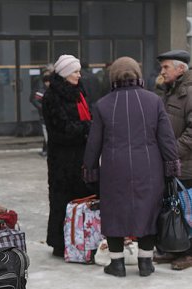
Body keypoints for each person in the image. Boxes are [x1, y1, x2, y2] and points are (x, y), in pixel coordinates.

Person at [82, 56, 180, 277]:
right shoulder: (153, 101)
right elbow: (166, 139)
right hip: (149, 166)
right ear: (138, 74)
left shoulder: (103, 104)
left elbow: (93, 142)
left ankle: (116, 264)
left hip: (114, 169)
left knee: (114, 211)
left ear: (113, 77)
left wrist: (89, 170)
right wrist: (171, 167)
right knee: (148, 209)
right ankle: (146, 262)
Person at [41, 54, 92, 257]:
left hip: (81, 156)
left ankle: (81, 238)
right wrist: (88, 127)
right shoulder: (52, 97)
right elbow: (60, 130)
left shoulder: (79, 93)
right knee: (61, 199)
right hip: (61, 159)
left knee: (82, 197)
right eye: (75, 72)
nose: (79, 75)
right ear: (64, 74)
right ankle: (59, 243)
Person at [154, 49, 192, 270]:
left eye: (166, 66)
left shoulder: (189, 92)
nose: (162, 71)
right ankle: (173, 248)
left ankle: (188, 253)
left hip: (186, 165)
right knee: (173, 208)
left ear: (180, 68)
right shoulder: (169, 91)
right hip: (171, 164)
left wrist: (172, 151)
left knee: (188, 210)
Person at [29, 66, 52, 156]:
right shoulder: (39, 83)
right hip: (44, 113)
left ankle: (46, 149)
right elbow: (34, 98)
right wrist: (42, 107)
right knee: (47, 131)